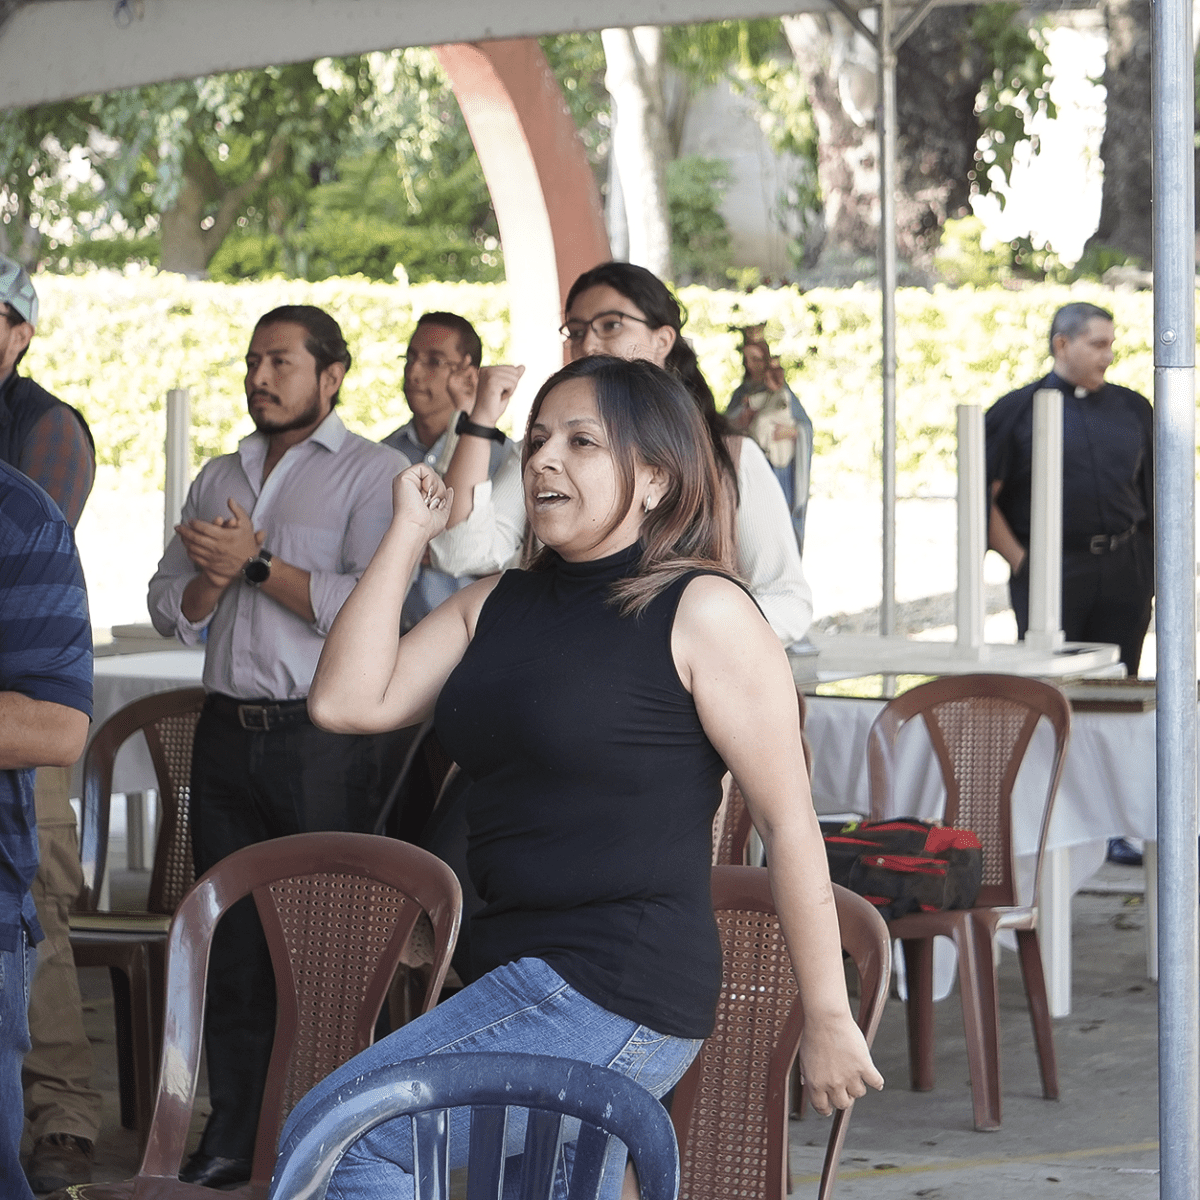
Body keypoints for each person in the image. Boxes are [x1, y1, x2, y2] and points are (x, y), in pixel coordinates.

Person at [271, 355, 882, 1200]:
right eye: (537, 439)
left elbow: (790, 824)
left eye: (582, 441)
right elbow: (347, 701)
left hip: (614, 985)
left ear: (657, 479)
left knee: (345, 1135)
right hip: (512, 973)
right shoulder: (499, 602)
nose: (545, 459)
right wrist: (409, 534)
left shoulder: (705, 610)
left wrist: (827, 1013)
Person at [147, 305, 411, 1189]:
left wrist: (255, 565)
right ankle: (231, 1138)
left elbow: (367, 604)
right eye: (252, 361)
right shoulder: (220, 472)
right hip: (224, 733)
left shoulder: (376, 474)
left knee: (324, 944)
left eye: (281, 362)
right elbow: (167, 604)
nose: (260, 377)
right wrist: (209, 585)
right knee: (230, 941)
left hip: (321, 739)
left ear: (332, 375)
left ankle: (327, 1136)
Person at [432, 265, 814, 648]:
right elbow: (461, 553)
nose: (590, 345)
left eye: (611, 325)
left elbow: (787, 601)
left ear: (663, 339)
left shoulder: (729, 457)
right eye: (577, 332)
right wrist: (478, 420)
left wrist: (676, 643)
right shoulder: (543, 455)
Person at [0, 254, 102, 1193]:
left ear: (17, 329)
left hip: (30, 701)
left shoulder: (46, 431)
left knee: (42, 912)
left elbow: (39, 544)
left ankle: (63, 1113)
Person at [985, 302, 1153, 676]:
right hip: (1051, 571)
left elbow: (1153, 494)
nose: (1108, 356)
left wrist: (1145, 565)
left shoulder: (1135, 408)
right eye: (1097, 344)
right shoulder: (1015, 411)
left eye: (1111, 344)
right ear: (1062, 344)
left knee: (1120, 683)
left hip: (1124, 570)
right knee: (1049, 684)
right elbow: (982, 498)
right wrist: (1023, 562)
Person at [381, 312, 524, 629]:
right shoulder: (381, 456)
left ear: (469, 375)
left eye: (434, 361)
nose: (414, 372)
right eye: (411, 357)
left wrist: (454, 550)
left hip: (471, 641)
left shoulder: (507, 461)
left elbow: (517, 561)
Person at [725, 330, 814, 554]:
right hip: (750, 465)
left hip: (777, 467)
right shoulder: (741, 394)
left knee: (777, 519)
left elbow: (804, 427)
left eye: (755, 359)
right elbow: (726, 425)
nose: (750, 365)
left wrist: (790, 432)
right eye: (746, 360)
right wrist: (740, 422)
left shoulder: (782, 392)